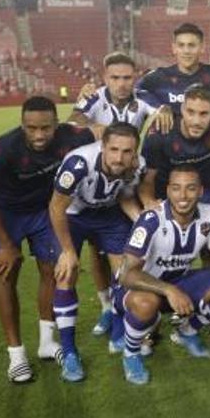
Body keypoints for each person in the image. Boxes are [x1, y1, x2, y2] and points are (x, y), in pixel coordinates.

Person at [0, 96, 95, 382]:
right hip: (7, 214)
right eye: (31, 128)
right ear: (22, 125)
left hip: (43, 212)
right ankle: (16, 356)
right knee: (8, 274)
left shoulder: (71, 137)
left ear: (57, 124)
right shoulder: (3, 149)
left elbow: (98, 130)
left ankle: (46, 343)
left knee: (52, 271)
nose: (39, 135)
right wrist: (6, 244)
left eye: (46, 128)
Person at [67, 52, 172, 338]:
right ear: (105, 78)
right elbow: (73, 118)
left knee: (128, 251)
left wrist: (163, 114)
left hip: (124, 183)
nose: (122, 84)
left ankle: (134, 309)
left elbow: (161, 109)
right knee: (96, 252)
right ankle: (106, 307)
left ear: (134, 77)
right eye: (115, 78)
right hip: (92, 181)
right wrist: (91, 125)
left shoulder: (143, 98)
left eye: (127, 77)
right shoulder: (94, 98)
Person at [116, 165, 210, 385]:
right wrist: (169, 290)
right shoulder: (151, 220)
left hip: (178, 282)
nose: (183, 196)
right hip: (137, 289)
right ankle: (131, 355)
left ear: (200, 191)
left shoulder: (208, 215)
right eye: (176, 188)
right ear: (168, 190)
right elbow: (127, 275)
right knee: (146, 303)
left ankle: (188, 330)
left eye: (190, 188)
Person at [48, 122, 146, 381]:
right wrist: (68, 251)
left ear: (135, 151)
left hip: (108, 216)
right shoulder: (78, 164)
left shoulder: (138, 165)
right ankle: (69, 353)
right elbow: (56, 207)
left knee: (125, 275)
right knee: (66, 273)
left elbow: (125, 195)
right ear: (102, 147)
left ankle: (117, 335)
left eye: (127, 151)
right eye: (113, 149)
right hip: (73, 217)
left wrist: (142, 222)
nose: (119, 157)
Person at [140, 83, 210, 208]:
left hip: (208, 190)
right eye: (191, 112)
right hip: (167, 192)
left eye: (204, 114)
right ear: (182, 109)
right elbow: (146, 180)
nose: (196, 121)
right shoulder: (160, 131)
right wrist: (149, 203)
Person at [136, 23, 210, 116]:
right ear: (174, 48)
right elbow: (136, 90)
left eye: (191, 45)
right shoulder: (160, 76)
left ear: (202, 47)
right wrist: (157, 107)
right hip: (171, 139)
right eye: (181, 45)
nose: (186, 51)